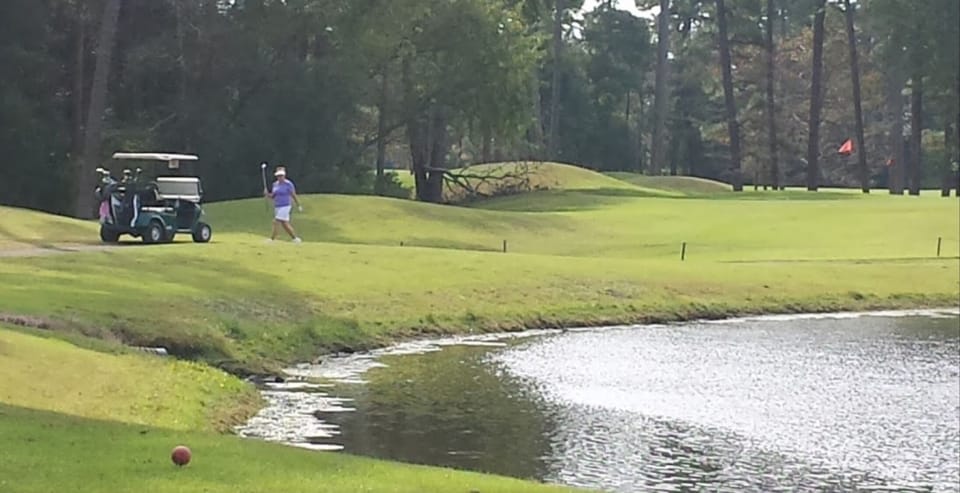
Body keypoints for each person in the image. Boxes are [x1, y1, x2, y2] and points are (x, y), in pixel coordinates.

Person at [264, 166, 303, 243]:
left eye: (281, 175)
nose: (280, 177)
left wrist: (298, 205)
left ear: (284, 175)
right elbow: (273, 196)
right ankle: (295, 239)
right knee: (285, 224)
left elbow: (293, 195)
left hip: (286, 206)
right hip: (277, 206)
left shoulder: (288, 184)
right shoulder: (275, 184)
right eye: (278, 176)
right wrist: (267, 194)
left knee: (276, 221)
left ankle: (272, 239)